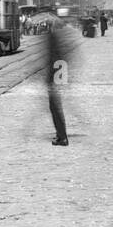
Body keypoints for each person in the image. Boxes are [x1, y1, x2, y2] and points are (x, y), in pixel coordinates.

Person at [45, 15, 69, 147]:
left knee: (55, 107)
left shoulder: (55, 38)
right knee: (55, 107)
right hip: (58, 75)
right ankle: (61, 135)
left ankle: (62, 137)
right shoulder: (60, 37)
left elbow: (55, 59)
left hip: (56, 77)